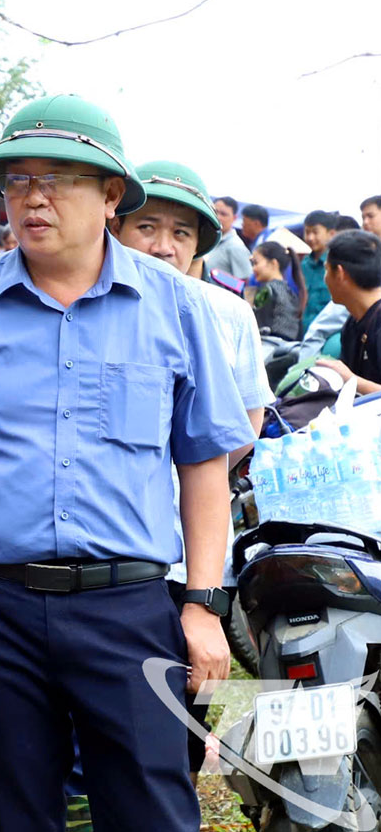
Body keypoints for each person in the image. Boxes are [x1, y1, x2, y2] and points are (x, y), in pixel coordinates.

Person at [0, 94, 252, 832]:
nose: (32, 198)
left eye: (57, 179)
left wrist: (203, 605)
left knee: (151, 812)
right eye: (17, 180)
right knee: (3, 814)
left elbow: (204, 466)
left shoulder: (178, 308)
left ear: (111, 195)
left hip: (129, 606)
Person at [108, 159, 274, 796]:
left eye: (181, 233)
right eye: (147, 227)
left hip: (192, 557)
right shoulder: (86, 305)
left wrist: (188, 473)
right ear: (116, 226)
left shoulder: (226, 314)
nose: (163, 246)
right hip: (109, 557)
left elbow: (247, 421)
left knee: (179, 715)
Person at [318, 230, 381, 394]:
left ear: (340, 273)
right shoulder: (352, 323)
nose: (325, 279)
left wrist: (351, 380)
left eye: (326, 269)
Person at [249, 242, 303, 340]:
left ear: (273, 263)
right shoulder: (290, 292)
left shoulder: (266, 291)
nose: (253, 268)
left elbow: (254, 321)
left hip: (270, 344)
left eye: (256, 263)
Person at [300, 210, 339, 331]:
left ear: (331, 234)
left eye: (315, 232)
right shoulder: (303, 265)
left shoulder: (337, 265)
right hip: (304, 331)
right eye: (307, 232)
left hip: (328, 332)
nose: (310, 237)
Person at [201, 194, 253, 284]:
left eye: (223, 214)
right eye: (215, 212)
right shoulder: (207, 238)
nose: (218, 217)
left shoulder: (236, 246)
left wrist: (217, 277)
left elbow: (244, 283)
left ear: (234, 218)